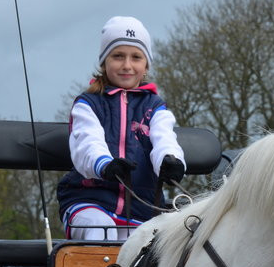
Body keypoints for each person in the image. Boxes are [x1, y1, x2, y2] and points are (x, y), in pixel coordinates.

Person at [57, 16, 186, 241]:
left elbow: (164, 139)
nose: (127, 65)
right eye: (118, 56)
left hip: (141, 210)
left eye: (136, 57)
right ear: (104, 62)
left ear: (146, 65)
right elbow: (88, 143)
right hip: (90, 202)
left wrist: (170, 161)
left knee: (151, 243)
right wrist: (105, 165)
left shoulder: (155, 107)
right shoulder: (88, 104)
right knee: (100, 227)